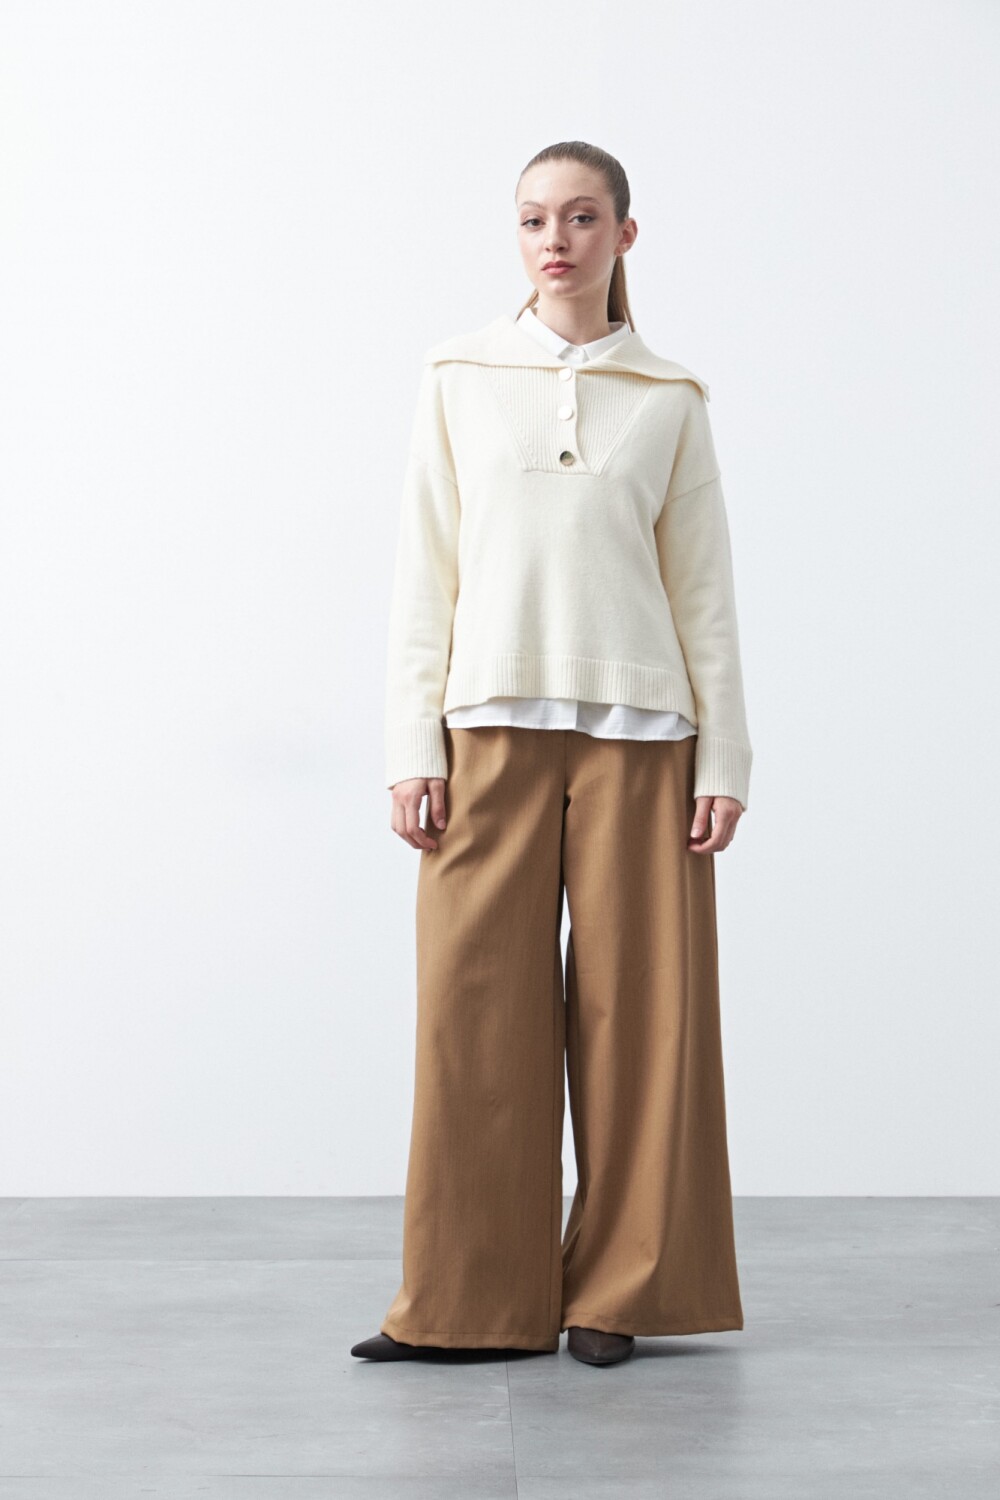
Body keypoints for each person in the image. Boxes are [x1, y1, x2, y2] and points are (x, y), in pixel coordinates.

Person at [352, 140, 753, 1368]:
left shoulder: (669, 397)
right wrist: (410, 745)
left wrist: (724, 759)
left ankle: (613, 1295)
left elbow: (704, 594)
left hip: (644, 733)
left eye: (581, 218)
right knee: (470, 1012)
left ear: (624, 234)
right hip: (486, 725)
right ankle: (466, 1302)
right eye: (533, 219)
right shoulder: (457, 375)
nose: (555, 240)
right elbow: (425, 570)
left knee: (643, 1019)